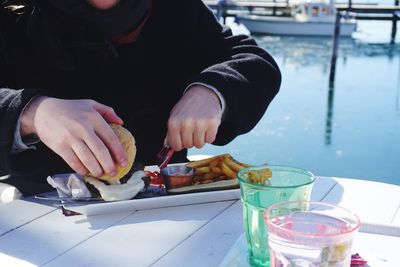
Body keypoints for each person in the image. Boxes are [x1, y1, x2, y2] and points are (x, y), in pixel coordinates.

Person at [0, 0, 281, 196]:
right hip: (39, 216)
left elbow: (254, 61)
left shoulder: (175, 8)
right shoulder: (10, 15)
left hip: (168, 212)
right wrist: (31, 113)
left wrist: (213, 90)